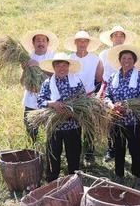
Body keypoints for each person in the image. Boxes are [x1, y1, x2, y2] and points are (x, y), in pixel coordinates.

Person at [104, 45, 140, 187]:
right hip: (117, 120)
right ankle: (119, 175)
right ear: (119, 60)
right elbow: (107, 96)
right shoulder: (113, 77)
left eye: (130, 58)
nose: (126, 61)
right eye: (124, 58)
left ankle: (138, 176)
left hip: (134, 121)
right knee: (118, 148)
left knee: (135, 148)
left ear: (134, 61)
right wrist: (112, 106)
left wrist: (126, 107)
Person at [37, 53, 86, 182]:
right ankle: (52, 180)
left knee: (73, 154)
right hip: (54, 126)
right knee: (53, 154)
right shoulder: (47, 83)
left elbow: (84, 101)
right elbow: (40, 101)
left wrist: (72, 112)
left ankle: (74, 180)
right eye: (58, 65)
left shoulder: (76, 82)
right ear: (54, 67)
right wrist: (51, 104)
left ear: (69, 67)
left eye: (65, 65)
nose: (62, 68)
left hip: (73, 125)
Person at [98, 25, 137, 162]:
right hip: (110, 88)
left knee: (128, 118)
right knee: (111, 120)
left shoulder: (130, 52)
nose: (118, 38)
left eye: (121, 35)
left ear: (124, 38)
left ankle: (131, 150)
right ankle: (111, 149)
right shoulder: (103, 54)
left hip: (127, 88)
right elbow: (100, 73)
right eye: (115, 35)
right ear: (111, 38)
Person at [66, 30, 103, 165]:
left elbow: (99, 78)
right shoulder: (68, 58)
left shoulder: (95, 59)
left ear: (88, 43)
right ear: (75, 43)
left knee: (89, 128)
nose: (82, 43)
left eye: (85, 41)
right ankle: (76, 155)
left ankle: (89, 154)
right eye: (79, 41)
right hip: (73, 99)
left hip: (88, 97)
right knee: (74, 127)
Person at [20, 30, 57, 143]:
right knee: (30, 126)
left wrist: (39, 65)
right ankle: (34, 149)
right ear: (33, 43)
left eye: (43, 40)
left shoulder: (52, 56)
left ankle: (50, 151)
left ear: (47, 42)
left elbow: (56, 74)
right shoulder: (28, 57)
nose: (40, 43)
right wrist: (24, 68)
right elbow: (23, 79)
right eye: (38, 40)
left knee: (50, 128)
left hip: (48, 98)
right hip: (30, 97)